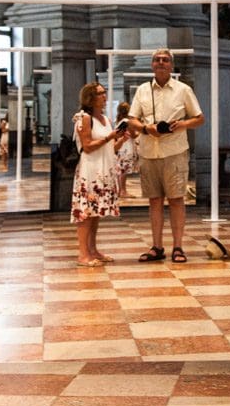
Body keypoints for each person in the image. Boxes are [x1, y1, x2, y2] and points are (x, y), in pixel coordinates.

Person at [127, 48, 205, 264]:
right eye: (157, 60)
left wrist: (182, 124)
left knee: (176, 199)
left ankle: (178, 247)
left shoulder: (183, 90)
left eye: (165, 60)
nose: (161, 63)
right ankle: (157, 246)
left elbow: (199, 118)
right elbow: (131, 120)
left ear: (171, 65)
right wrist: (146, 128)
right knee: (154, 200)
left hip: (175, 152)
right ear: (152, 64)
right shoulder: (142, 90)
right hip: (149, 152)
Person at [71, 83, 126, 267]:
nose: (104, 96)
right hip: (90, 170)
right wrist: (109, 137)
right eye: (100, 93)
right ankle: (83, 254)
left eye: (104, 93)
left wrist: (120, 140)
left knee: (95, 212)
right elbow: (87, 146)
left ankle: (93, 250)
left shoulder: (105, 119)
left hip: (104, 169)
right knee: (86, 212)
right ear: (90, 97)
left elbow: (110, 148)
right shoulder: (85, 118)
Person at [114, 101, 139, 198]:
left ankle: (120, 190)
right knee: (124, 171)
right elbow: (133, 135)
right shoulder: (127, 122)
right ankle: (123, 191)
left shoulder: (118, 121)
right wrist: (141, 131)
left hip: (121, 147)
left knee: (120, 170)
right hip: (127, 147)